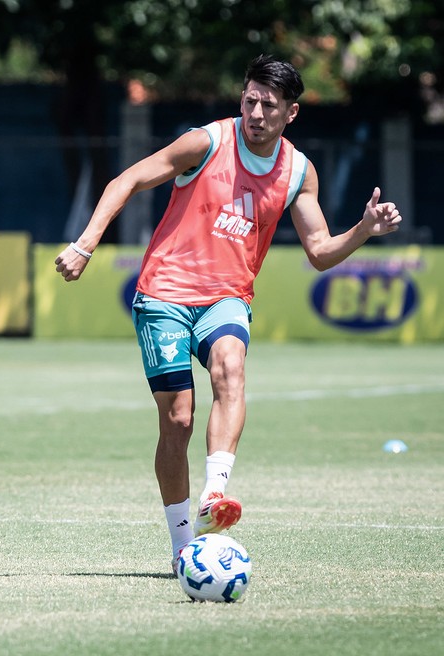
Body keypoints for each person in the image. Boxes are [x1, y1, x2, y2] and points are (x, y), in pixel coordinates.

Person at [54, 55, 403, 570]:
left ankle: (214, 497)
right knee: (178, 420)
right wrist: (85, 244)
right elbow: (125, 180)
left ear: (292, 113)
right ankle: (181, 546)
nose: (256, 112)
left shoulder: (298, 173)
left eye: (269, 105)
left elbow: (320, 252)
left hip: (227, 297)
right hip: (164, 294)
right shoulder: (207, 142)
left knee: (230, 368)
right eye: (250, 99)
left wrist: (364, 230)